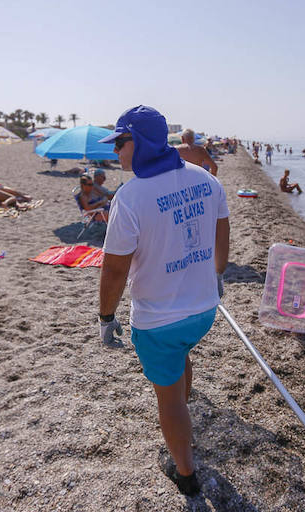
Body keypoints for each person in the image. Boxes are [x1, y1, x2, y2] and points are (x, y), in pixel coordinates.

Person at [97, 105, 229, 497]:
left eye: (120, 143)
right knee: (181, 356)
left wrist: (106, 316)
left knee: (168, 399)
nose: (116, 152)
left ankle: (186, 473)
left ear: (140, 142)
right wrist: (216, 277)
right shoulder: (206, 180)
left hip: (158, 321)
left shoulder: (131, 196)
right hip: (203, 311)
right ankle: (183, 412)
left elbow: (115, 270)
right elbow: (222, 237)